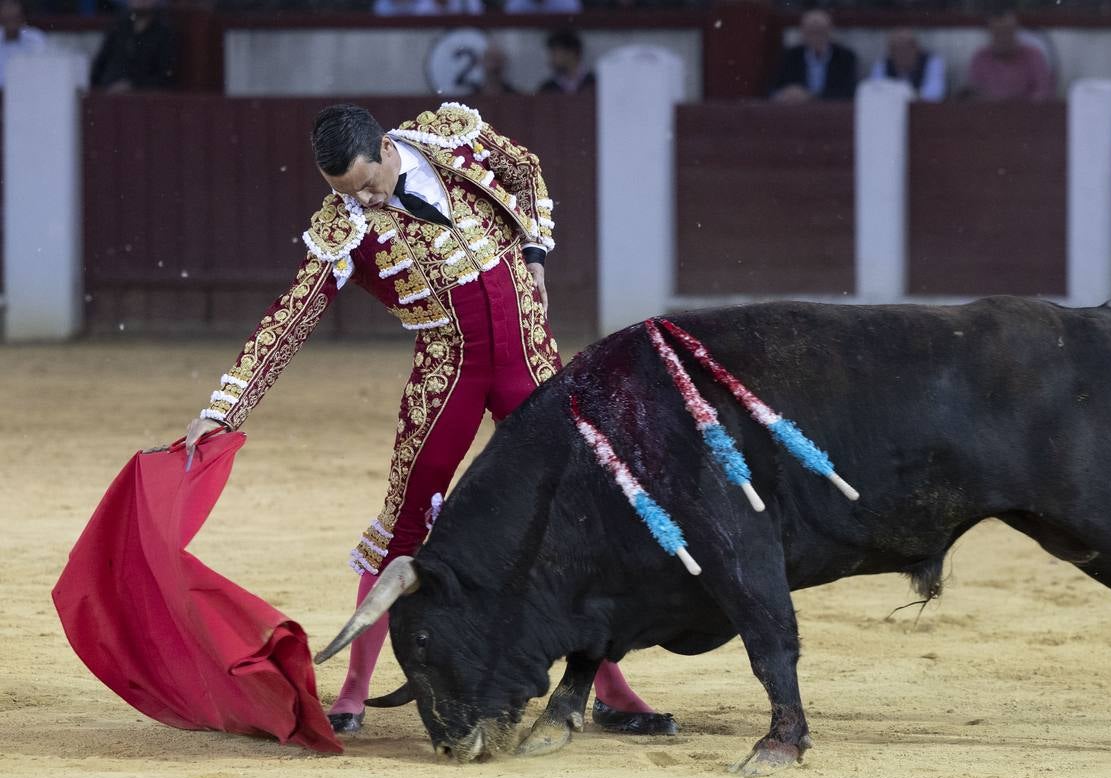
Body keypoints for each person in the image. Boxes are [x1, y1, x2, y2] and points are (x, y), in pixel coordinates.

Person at [180, 102, 676, 738]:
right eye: (345, 192)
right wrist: (223, 408)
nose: (363, 200)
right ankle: (355, 688)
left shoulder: (447, 139)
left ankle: (607, 687)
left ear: (386, 149)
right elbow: (291, 317)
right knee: (405, 523)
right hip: (449, 377)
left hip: (531, 360)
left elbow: (523, 170)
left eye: (366, 184)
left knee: (575, 515)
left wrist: (535, 253)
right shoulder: (345, 228)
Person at [771, 9, 857, 103]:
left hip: (831, 112)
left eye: (820, 31)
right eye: (811, 32)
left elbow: (848, 93)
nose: (816, 37)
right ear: (803, 33)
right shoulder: (791, 56)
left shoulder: (845, 57)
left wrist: (811, 97)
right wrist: (787, 93)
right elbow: (776, 90)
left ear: (830, 32)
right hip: (798, 112)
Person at [965, 10, 1053, 102]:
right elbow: (975, 97)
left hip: (1028, 114)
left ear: (1016, 30)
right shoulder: (979, 59)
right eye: (998, 32)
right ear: (990, 32)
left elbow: (1043, 94)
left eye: (1006, 31)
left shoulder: (1034, 56)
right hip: (990, 115)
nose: (1003, 38)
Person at [89, 0, 176, 92]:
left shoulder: (164, 33)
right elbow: (100, 65)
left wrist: (132, 86)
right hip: (108, 95)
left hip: (142, 99)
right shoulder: (119, 26)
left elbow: (165, 77)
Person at [869, 28, 944, 102]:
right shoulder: (883, 64)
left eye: (906, 47)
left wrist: (904, 95)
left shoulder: (931, 62)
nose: (901, 53)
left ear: (915, 48)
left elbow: (934, 95)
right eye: (895, 49)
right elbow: (875, 92)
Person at [0, 1, 45, 89]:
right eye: (7, 20)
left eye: (14, 19)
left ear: (22, 17)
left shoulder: (35, 39)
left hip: (28, 93)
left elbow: (42, 72)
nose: (11, 24)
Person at [537, 29, 593, 94]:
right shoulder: (548, 88)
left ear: (571, 53)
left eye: (555, 53)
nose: (551, 59)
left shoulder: (595, 83)